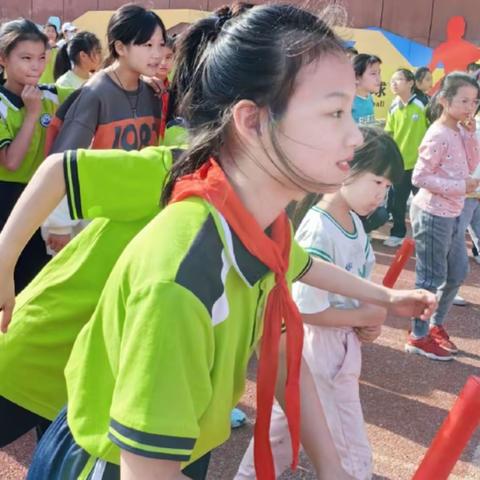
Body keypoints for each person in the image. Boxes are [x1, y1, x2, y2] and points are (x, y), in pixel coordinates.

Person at [0, 5, 436, 479]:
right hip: (57, 365)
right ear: (248, 119)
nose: (355, 136)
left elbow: (297, 292)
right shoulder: (180, 220)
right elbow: (59, 171)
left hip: (135, 402)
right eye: (334, 112)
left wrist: (387, 297)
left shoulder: (262, 225)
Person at [236, 127, 404, 480]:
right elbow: (307, 308)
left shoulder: (355, 224)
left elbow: (355, 286)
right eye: (377, 181)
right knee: (350, 453)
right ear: (348, 169)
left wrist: (366, 321)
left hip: (338, 348)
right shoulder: (319, 227)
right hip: (318, 350)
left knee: (281, 432)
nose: (382, 194)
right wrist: (363, 314)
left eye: (388, 187)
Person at [43, 4, 166, 254]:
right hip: (92, 228)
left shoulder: (153, 93)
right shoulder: (94, 94)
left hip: (133, 222)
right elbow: (63, 161)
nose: (157, 54)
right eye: (147, 45)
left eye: (161, 44)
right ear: (120, 47)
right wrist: (58, 225)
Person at [407, 72, 480, 361]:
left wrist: (472, 134)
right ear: (444, 100)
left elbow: (472, 163)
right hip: (432, 213)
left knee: (457, 272)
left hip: (453, 212)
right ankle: (418, 335)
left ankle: (434, 325)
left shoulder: (460, 131)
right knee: (429, 278)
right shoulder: (438, 134)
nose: (469, 107)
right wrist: (459, 187)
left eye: (474, 102)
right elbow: (420, 176)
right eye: (463, 101)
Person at [0, 19, 72, 293]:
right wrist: (31, 114)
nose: (36, 66)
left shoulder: (52, 95)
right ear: (3, 59)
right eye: (26, 58)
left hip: (43, 196)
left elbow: (94, 93)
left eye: (42, 58)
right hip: (7, 198)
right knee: (10, 277)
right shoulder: (5, 104)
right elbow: (11, 161)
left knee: (36, 279)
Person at [384, 68, 429, 248]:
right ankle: (398, 233)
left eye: (398, 80)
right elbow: (389, 132)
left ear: (410, 83)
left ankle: (424, 237)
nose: (393, 83)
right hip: (400, 165)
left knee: (423, 205)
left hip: (421, 165)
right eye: (391, 80)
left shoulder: (423, 103)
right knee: (397, 203)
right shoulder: (394, 106)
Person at [351, 54, 382, 125]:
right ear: (356, 77)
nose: (379, 78)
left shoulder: (369, 97)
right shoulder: (346, 103)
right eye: (373, 74)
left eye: (379, 73)